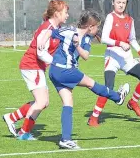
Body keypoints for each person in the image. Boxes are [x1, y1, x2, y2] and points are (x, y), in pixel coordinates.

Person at [39, 10, 130, 149]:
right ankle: (117, 97)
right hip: (64, 70)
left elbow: (85, 55)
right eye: (97, 27)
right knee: (91, 83)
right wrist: (42, 41)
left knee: (68, 103)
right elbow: (50, 31)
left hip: (55, 72)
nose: (97, 30)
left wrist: (77, 46)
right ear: (90, 26)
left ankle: (65, 139)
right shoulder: (69, 31)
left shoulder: (87, 39)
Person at [2, 0, 69, 140]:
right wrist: (56, 63)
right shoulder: (47, 29)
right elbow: (40, 52)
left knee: (44, 102)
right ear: (57, 14)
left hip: (35, 66)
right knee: (41, 102)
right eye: (65, 12)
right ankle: (23, 133)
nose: (67, 15)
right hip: (31, 65)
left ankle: (11, 117)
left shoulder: (54, 29)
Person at [87, 0, 140, 127]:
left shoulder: (130, 20)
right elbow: (104, 38)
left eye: (123, 2)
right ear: (113, 3)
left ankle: (133, 102)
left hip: (126, 58)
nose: (121, 5)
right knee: (108, 87)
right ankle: (93, 117)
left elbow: (132, 39)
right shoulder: (111, 17)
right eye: (118, 2)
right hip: (113, 57)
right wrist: (119, 43)